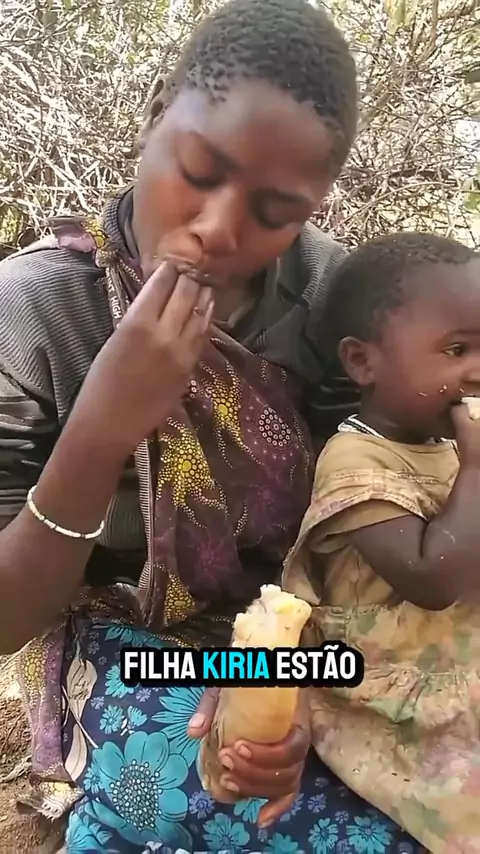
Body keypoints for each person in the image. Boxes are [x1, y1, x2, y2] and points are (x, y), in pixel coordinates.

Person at [0, 0, 424, 850]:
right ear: (157, 115)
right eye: (198, 171)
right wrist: (102, 427)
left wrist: (283, 677)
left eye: (275, 211)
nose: (219, 229)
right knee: (209, 787)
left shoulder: (334, 300)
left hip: (319, 632)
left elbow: (361, 525)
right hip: (140, 643)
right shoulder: (33, 314)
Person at [283, 232, 480, 854]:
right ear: (362, 362)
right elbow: (432, 577)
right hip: (398, 695)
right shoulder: (355, 460)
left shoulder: (450, 447)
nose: (477, 371)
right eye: (456, 350)